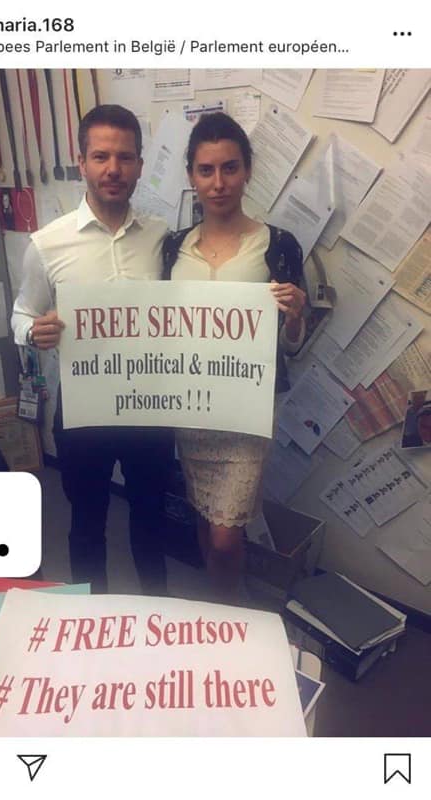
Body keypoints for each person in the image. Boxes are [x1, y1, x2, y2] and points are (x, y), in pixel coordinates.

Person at [11, 104, 173, 594]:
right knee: (86, 522)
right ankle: (91, 611)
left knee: (151, 519)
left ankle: (158, 610)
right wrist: (32, 332)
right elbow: (21, 311)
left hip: (150, 406)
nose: (113, 169)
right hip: (83, 410)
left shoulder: (162, 239)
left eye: (125, 157)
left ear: (140, 165)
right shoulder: (47, 243)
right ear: (81, 162)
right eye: (101, 156)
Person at [162, 113, 306, 603]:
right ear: (191, 175)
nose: (218, 182)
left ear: (247, 170)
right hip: (190, 406)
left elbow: (292, 345)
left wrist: (295, 316)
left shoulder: (279, 246)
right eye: (206, 170)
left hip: (247, 412)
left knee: (226, 534)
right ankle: (218, 603)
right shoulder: (173, 249)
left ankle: (228, 612)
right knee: (205, 515)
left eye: (230, 167)